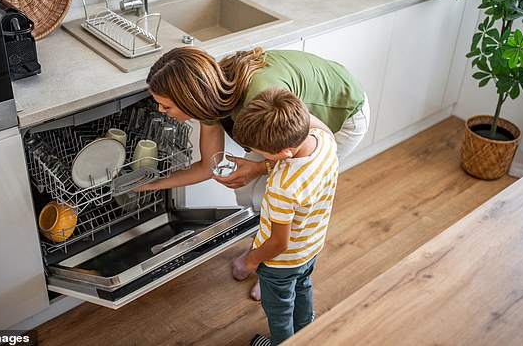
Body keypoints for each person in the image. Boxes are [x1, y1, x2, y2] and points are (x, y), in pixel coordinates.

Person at [136, 46, 369, 299]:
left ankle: (274, 268)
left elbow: (317, 135)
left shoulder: (262, 95)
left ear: (189, 100)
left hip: (339, 118)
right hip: (288, 135)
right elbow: (208, 167)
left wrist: (259, 168)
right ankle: (265, 250)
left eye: (165, 107)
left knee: (278, 203)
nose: (160, 111)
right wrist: (152, 184)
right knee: (250, 195)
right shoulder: (210, 97)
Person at [230, 87, 339, 346]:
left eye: (260, 152)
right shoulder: (324, 141)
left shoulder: (282, 186)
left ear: (285, 153)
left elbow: (279, 243)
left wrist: (253, 260)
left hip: (280, 263)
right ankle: (306, 334)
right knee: (302, 289)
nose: (259, 155)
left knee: (279, 311)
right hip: (310, 246)